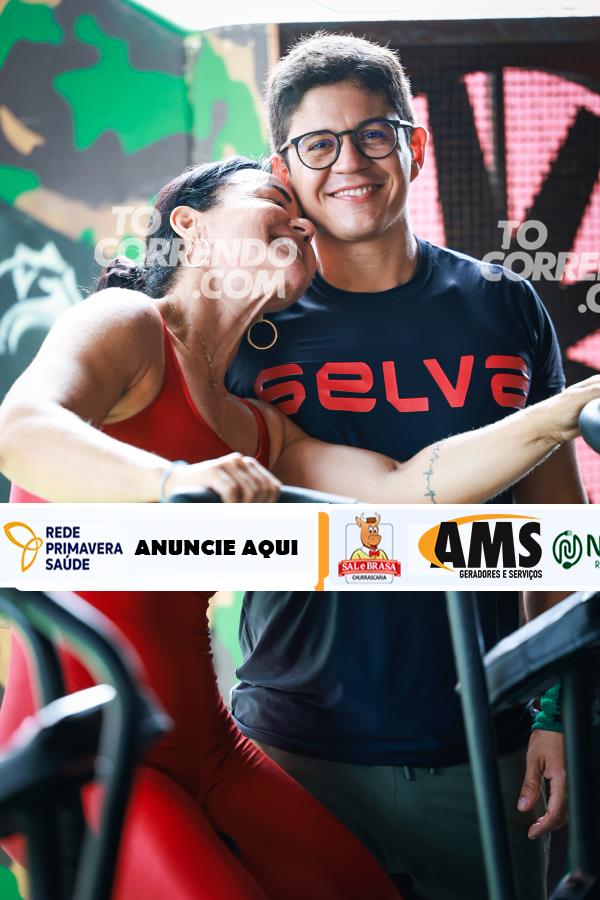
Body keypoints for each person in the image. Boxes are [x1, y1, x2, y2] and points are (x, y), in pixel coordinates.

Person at [0, 157, 597, 900]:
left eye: (304, 222)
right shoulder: (127, 324)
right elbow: (20, 430)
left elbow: (404, 489)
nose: (300, 224)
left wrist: (566, 409)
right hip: (87, 748)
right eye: (272, 199)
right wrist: (171, 483)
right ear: (189, 225)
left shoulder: (258, 430)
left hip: (209, 751)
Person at [225, 33, 590, 900]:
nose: (351, 162)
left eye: (374, 134)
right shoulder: (247, 325)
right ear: (283, 169)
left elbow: (556, 531)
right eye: (319, 144)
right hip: (294, 749)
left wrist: (559, 710)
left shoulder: (505, 307)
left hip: (485, 743)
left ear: (416, 145)